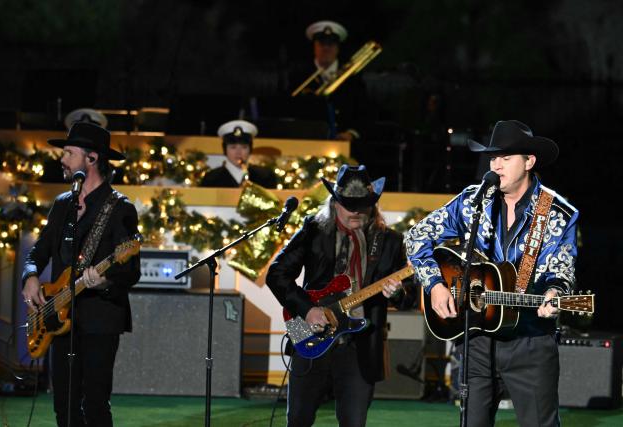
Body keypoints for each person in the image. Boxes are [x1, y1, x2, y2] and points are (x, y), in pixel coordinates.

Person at [404, 120, 579, 426]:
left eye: (505, 158)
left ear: (529, 161)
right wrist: (434, 285)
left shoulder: (556, 213)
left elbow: (561, 270)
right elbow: (416, 237)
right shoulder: (474, 201)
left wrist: (555, 294)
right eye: (492, 157)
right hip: (476, 339)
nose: (496, 165)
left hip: (530, 342)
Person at [266, 164, 414, 426]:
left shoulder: (390, 241)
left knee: (353, 422)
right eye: (348, 204)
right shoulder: (314, 230)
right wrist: (307, 309)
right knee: (298, 419)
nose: (356, 211)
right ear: (334, 203)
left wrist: (398, 292)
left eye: (363, 204)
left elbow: (408, 295)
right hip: (310, 334)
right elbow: (277, 274)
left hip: (360, 347)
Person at [21, 122, 141, 427]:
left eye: (68, 153)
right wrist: (31, 276)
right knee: (64, 404)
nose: (62, 159)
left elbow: (130, 270)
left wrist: (104, 281)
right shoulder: (62, 204)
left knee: (96, 405)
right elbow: (38, 252)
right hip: (58, 317)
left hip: (100, 319)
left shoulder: (119, 208)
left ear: (92, 159)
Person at [287, 20, 369, 142]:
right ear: (314, 45)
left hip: (344, 144)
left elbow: (364, 112)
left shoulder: (352, 79)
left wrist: (351, 133)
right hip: (308, 142)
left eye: (331, 44)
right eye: (321, 43)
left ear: (337, 47)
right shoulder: (299, 77)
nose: (326, 48)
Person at [200, 119, 277, 188]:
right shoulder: (211, 179)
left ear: (250, 149)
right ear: (225, 150)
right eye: (233, 147)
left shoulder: (265, 177)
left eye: (244, 147)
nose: (238, 152)